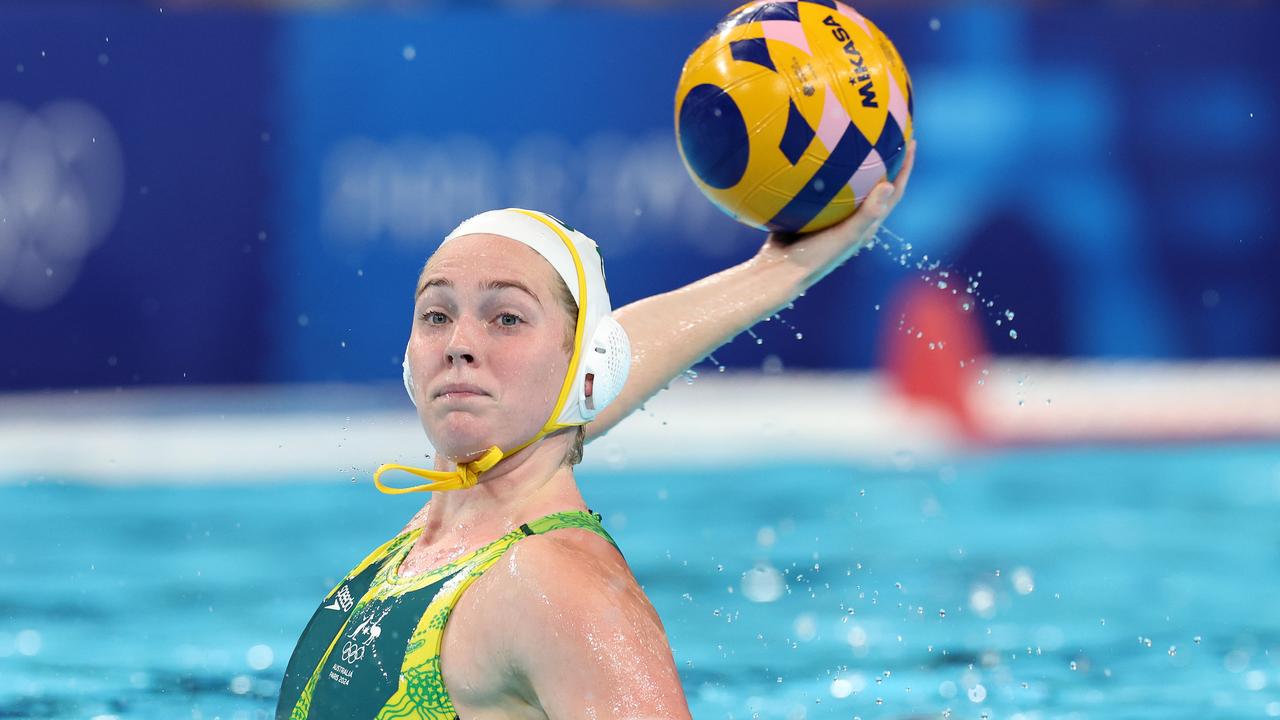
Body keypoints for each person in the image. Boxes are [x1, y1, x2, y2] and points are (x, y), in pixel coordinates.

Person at [275, 142, 916, 719]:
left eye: (506, 319)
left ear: (586, 370)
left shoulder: (562, 591)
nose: (460, 344)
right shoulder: (445, 539)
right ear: (410, 364)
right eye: (436, 314)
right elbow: (585, 381)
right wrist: (782, 270)